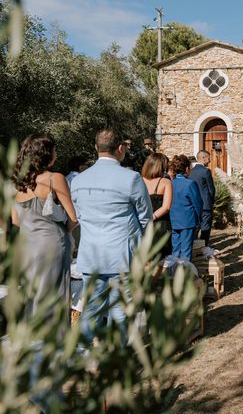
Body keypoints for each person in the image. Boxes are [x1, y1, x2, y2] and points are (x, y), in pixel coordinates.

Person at [71, 128, 153, 344]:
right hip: (122, 256)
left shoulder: (78, 180)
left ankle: (88, 355)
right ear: (120, 149)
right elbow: (146, 218)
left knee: (91, 310)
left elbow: (79, 216)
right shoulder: (131, 178)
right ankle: (117, 358)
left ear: (96, 148)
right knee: (121, 311)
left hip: (91, 255)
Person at [11, 134, 77, 317]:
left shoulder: (17, 181)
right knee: (54, 294)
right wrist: (65, 232)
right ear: (47, 153)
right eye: (54, 149)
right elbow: (73, 217)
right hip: (53, 243)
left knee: (33, 293)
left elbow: (16, 221)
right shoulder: (55, 178)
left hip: (27, 245)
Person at [169, 155, 203, 261]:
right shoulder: (190, 184)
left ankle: (173, 274)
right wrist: (199, 219)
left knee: (175, 250)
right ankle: (184, 275)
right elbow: (198, 203)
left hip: (173, 220)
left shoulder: (170, 183)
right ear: (187, 169)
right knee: (186, 250)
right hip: (188, 221)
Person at [142, 153, 173, 257]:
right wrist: (152, 217)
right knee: (162, 259)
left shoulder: (139, 180)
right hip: (161, 224)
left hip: (142, 223)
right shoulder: (165, 182)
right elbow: (166, 207)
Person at [189, 150, 216, 246]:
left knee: (195, 227)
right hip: (205, 205)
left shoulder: (191, 172)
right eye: (208, 158)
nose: (209, 160)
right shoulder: (206, 171)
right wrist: (211, 201)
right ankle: (204, 248)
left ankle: (194, 247)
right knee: (205, 228)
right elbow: (211, 189)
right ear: (203, 158)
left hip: (194, 204)